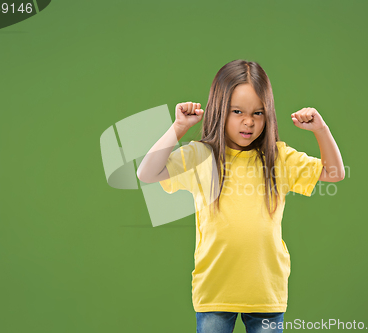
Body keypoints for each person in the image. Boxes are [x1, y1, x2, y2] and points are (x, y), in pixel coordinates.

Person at [137, 59, 345, 333]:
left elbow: (334, 173)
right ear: (219, 109)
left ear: (268, 114)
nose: (248, 121)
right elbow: (147, 173)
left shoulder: (278, 157)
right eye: (237, 111)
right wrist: (178, 128)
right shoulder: (202, 156)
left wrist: (321, 130)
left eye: (258, 113)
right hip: (214, 292)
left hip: (266, 293)